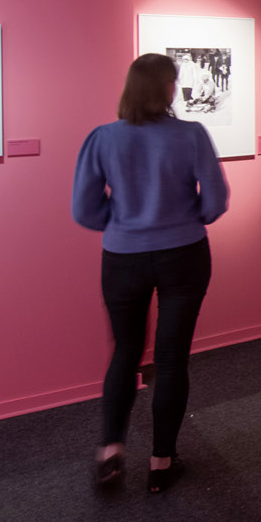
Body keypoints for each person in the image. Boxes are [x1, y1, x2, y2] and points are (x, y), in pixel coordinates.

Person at [72, 53, 228, 494]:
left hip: (122, 256)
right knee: (172, 358)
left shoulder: (102, 138)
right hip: (183, 254)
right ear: (166, 88)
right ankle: (161, 462)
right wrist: (184, 218)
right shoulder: (192, 135)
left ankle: (110, 452)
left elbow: (83, 208)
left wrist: (123, 224)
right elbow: (215, 201)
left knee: (125, 350)